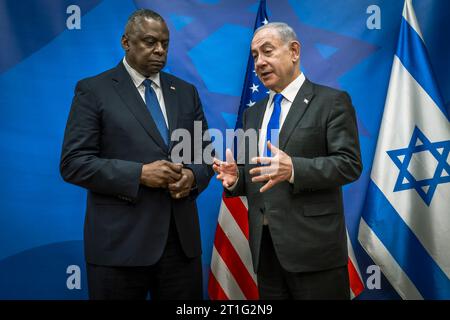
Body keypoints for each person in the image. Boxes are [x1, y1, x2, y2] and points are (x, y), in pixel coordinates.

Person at [60, 9, 213, 300]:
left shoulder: (185, 92)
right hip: (119, 247)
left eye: (165, 44)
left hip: (180, 248)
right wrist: (140, 174)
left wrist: (192, 176)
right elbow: (74, 163)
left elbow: (203, 155)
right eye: (150, 41)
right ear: (126, 42)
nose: (159, 50)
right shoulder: (94, 90)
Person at [213, 22, 362, 299]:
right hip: (266, 250)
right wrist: (237, 179)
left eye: (267, 51)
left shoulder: (331, 102)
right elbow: (260, 173)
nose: (259, 62)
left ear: (294, 51)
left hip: (315, 251)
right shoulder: (253, 114)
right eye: (255, 55)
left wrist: (294, 168)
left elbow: (349, 164)